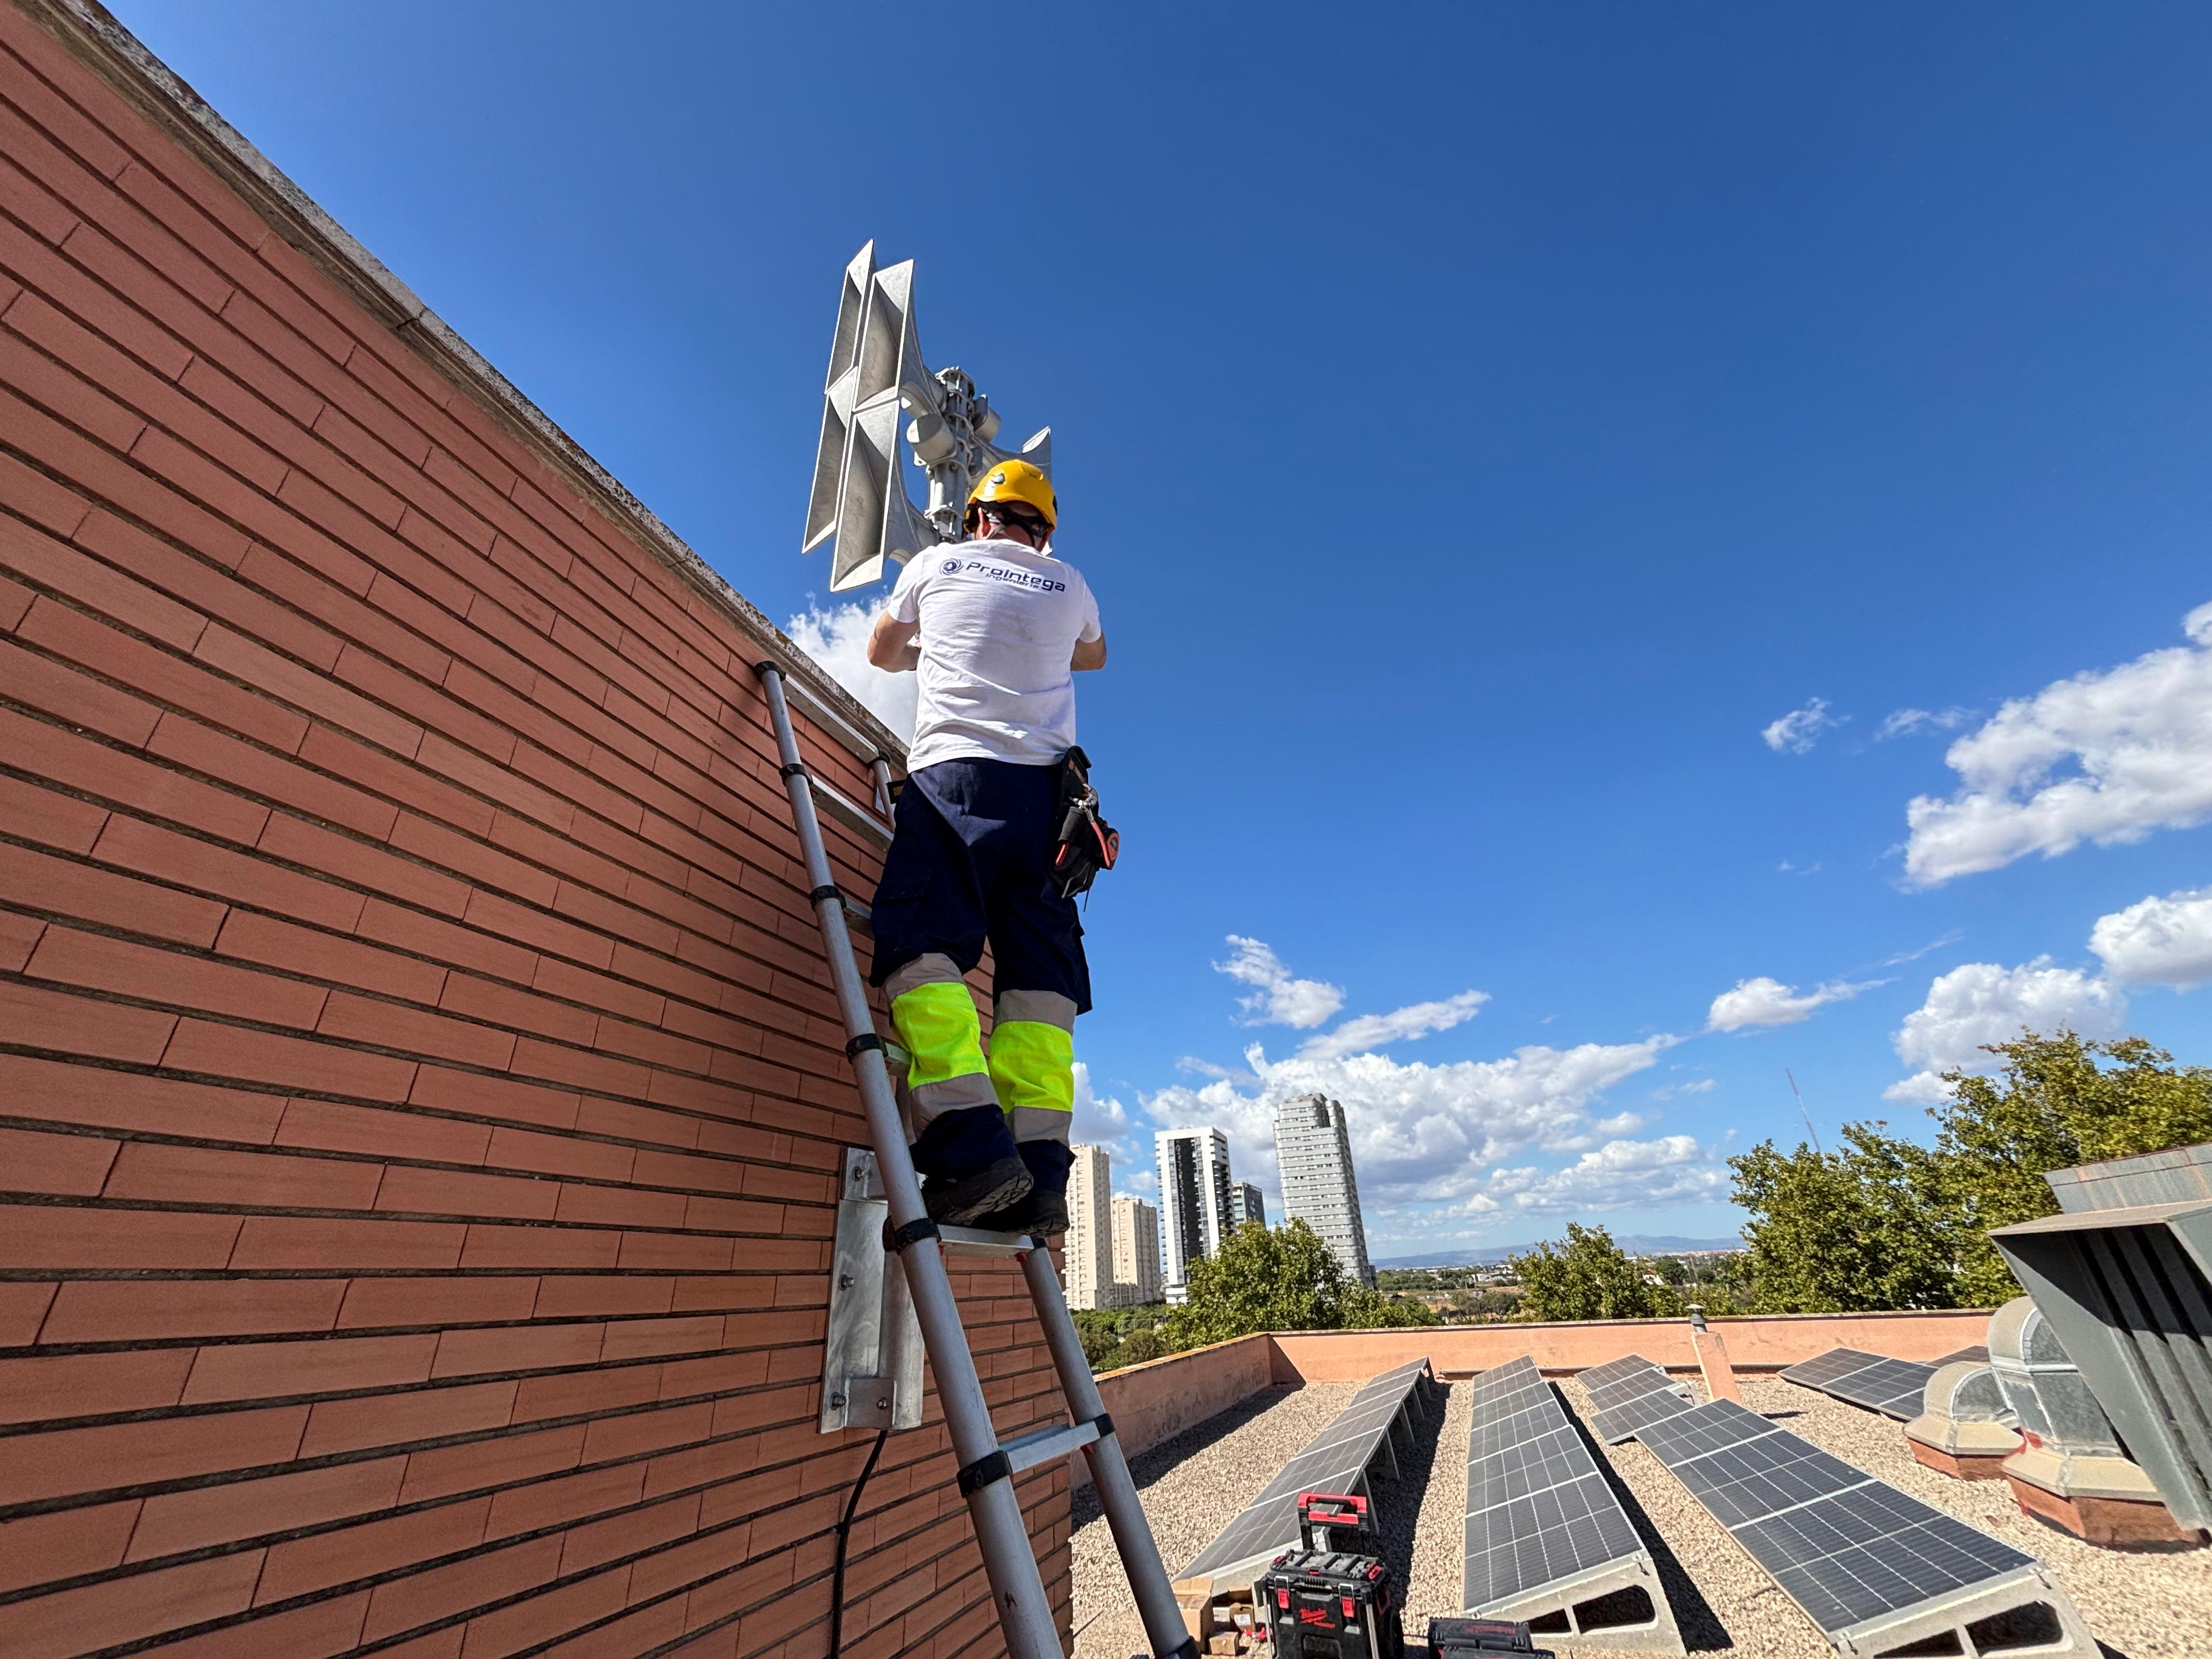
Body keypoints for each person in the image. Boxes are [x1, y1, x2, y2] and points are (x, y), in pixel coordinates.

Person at [864, 459, 1107, 1234]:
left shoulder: (935, 565)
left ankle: (970, 1148)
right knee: (1040, 982)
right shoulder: (1069, 583)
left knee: (922, 942)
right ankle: (1039, 1175)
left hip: (956, 783)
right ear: (1044, 530)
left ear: (977, 518)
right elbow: (1092, 655)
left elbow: (880, 653)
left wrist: (937, 647)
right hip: (1050, 806)